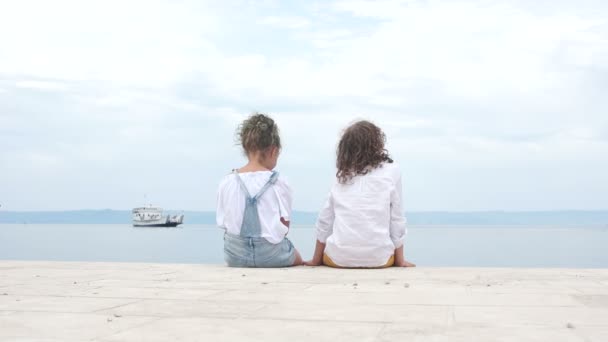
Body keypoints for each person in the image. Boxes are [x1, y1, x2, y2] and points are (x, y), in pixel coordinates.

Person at [305, 120, 416, 268]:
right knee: (385, 253)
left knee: (332, 251)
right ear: (377, 144)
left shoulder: (342, 176)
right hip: (379, 260)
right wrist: (400, 260)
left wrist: (316, 260)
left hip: (338, 260)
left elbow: (325, 220)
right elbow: (397, 219)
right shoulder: (392, 171)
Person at [217, 113, 303, 267]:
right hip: (271, 255)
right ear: (273, 151)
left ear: (245, 149)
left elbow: (224, 222)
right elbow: (284, 227)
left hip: (234, 255)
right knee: (297, 256)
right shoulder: (280, 182)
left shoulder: (227, 181)